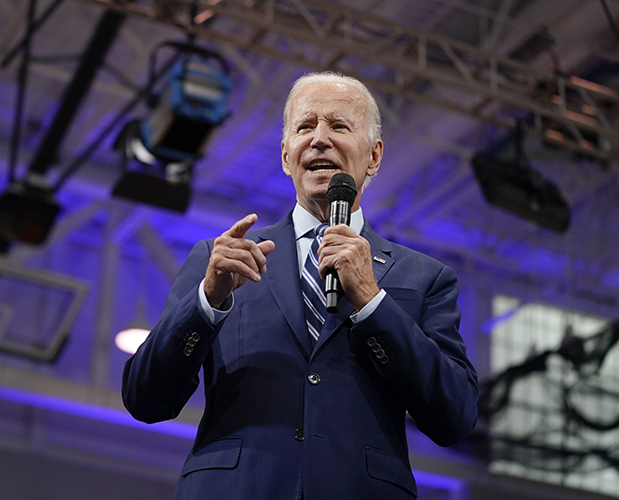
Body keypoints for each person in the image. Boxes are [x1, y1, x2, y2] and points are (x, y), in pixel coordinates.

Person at [122, 71, 479, 499]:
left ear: (374, 156)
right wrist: (207, 302)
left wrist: (371, 301)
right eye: (305, 127)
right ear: (286, 154)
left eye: (339, 126)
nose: (320, 139)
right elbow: (145, 399)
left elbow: (455, 415)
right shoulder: (221, 259)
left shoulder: (425, 278)